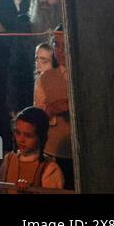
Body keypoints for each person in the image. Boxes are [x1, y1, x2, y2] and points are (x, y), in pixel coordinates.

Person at [0, 107, 65, 191]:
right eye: (18, 133)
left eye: (28, 136)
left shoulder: (50, 169)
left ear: (40, 137)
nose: (21, 140)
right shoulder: (9, 158)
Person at [33, 39, 72, 187]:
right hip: (55, 148)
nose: (60, 50)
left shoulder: (85, 74)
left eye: (64, 45)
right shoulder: (45, 79)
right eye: (56, 44)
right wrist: (52, 109)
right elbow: (38, 114)